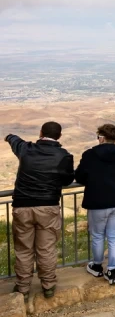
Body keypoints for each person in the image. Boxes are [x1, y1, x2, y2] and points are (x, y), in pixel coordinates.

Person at [6, 122, 74, 300]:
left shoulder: (26, 149)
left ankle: (22, 288)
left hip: (22, 207)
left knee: (23, 249)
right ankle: (49, 286)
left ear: (40, 132)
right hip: (48, 207)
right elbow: (67, 180)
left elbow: (15, 141)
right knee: (46, 249)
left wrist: (9, 136)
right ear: (59, 136)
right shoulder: (64, 155)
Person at [76, 124, 115, 286]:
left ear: (101, 137)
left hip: (97, 201)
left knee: (98, 235)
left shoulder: (89, 155)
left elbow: (80, 176)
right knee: (114, 235)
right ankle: (112, 270)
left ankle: (97, 265)